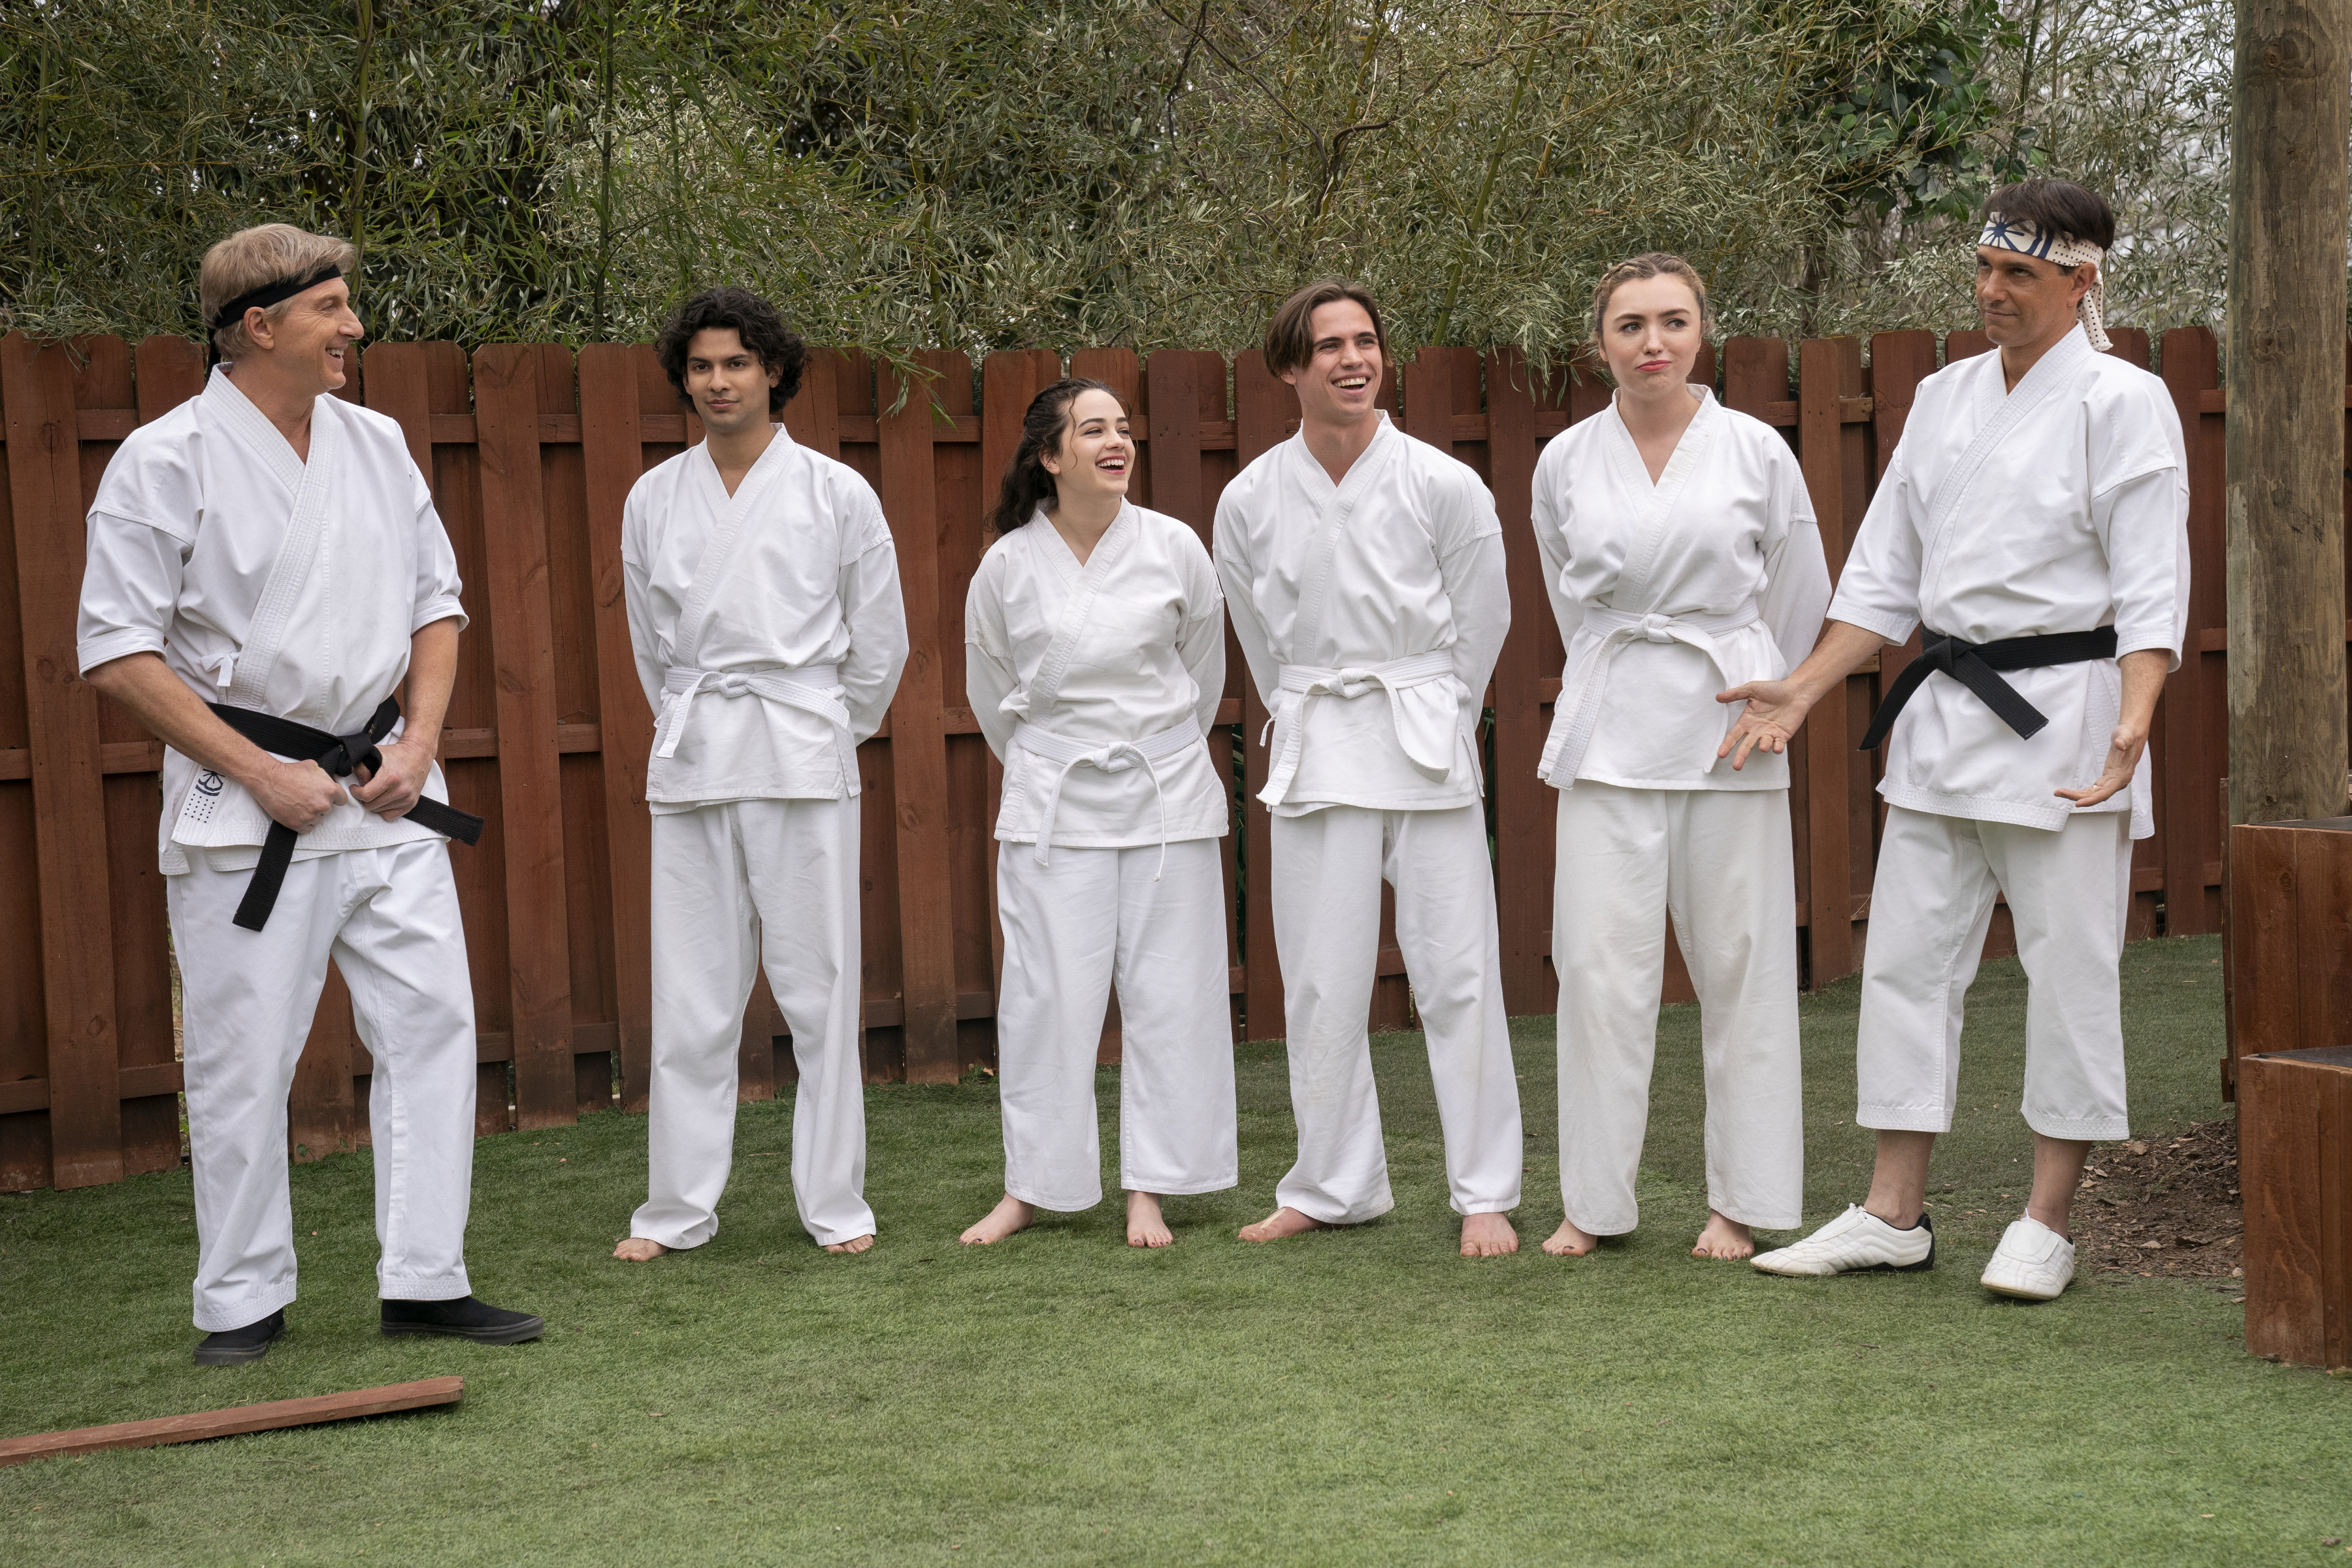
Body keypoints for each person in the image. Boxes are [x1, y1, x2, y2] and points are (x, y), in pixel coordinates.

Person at [77, 223, 541, 1363]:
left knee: (435, 1027)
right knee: (246, 1056)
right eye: (333, 308)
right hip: (250, 803)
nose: (355, 328)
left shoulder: (376, 443)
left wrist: (421, 741)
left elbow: (439, 604)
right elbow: (115, 649)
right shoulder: (165, 458)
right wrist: (257, 772)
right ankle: (241, 1300)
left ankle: (427, 1278)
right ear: (259, 325)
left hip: (382, 790)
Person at [1727, 180, 2189, 1300]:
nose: (1989, 291)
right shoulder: (1942, 397)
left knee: (2068, 967)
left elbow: (2152, 584)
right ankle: (1892, 1212)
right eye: (1983, 267)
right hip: (1944, 716)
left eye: (2018, 274)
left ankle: (2046, 1218)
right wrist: (1799, 689)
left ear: (2082, 281)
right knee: (1904, 965)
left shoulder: (2124, 402)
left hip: (2069, 715)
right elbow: (1884, 573)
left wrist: (2134, 724)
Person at [1213, 280, 1524, 1258]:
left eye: (1367, 342)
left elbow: (1484, 621)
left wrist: (1438, 710)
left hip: (1423, 735)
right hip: (1316, 743)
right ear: (1289, 369)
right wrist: (1313, 704)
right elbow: (1262, 646)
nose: (1354, 359)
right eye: (1329, 346)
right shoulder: (1251, 497)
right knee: (1318, 980)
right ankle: (1334, 1184)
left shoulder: (1442, 482)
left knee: (1457, 971)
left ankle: (1484, 1191)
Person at [1531, 254, 1830, 1263]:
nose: (1651, 343)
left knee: (1742, 967)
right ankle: (1594, 1204)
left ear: (1704, 332)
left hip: (1729, 725)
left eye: (1672, 322)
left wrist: (1772, 692)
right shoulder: (1566, 459)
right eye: (1629, 326)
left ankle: (1741, 1204)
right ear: (1600, 341)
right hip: (1613, 730)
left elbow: (1796, 588)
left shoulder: (1756, 452)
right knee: (1598, 970)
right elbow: (1570, 601)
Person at [612, 288, 907, 1263]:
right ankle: (675, 1211)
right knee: (692, 996)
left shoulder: (835, 492)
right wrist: (690, 721)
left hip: (800, 748)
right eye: (700, 366)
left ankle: (837, 1206)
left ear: (774, 370)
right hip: (699, 752)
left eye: (736, 363)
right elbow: (655, 654)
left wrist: (830, 726)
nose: (718, 382)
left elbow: (881, 643)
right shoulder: (653, 497)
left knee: (819, 989)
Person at [957, 379, 1238, 1249]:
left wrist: (1151, 752)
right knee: (1046, 998)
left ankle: (1151, 1187)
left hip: (1164, 798)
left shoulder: (1176, 547)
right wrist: (1053, 765)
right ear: (1050, 455)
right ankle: (1034, 1186)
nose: (1117, 441)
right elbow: (990, 689)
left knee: (1173, 995)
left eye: (1123, 429)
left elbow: (1204, 677)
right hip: (1052, 801)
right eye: (1093, 430)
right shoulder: (1007, 564)